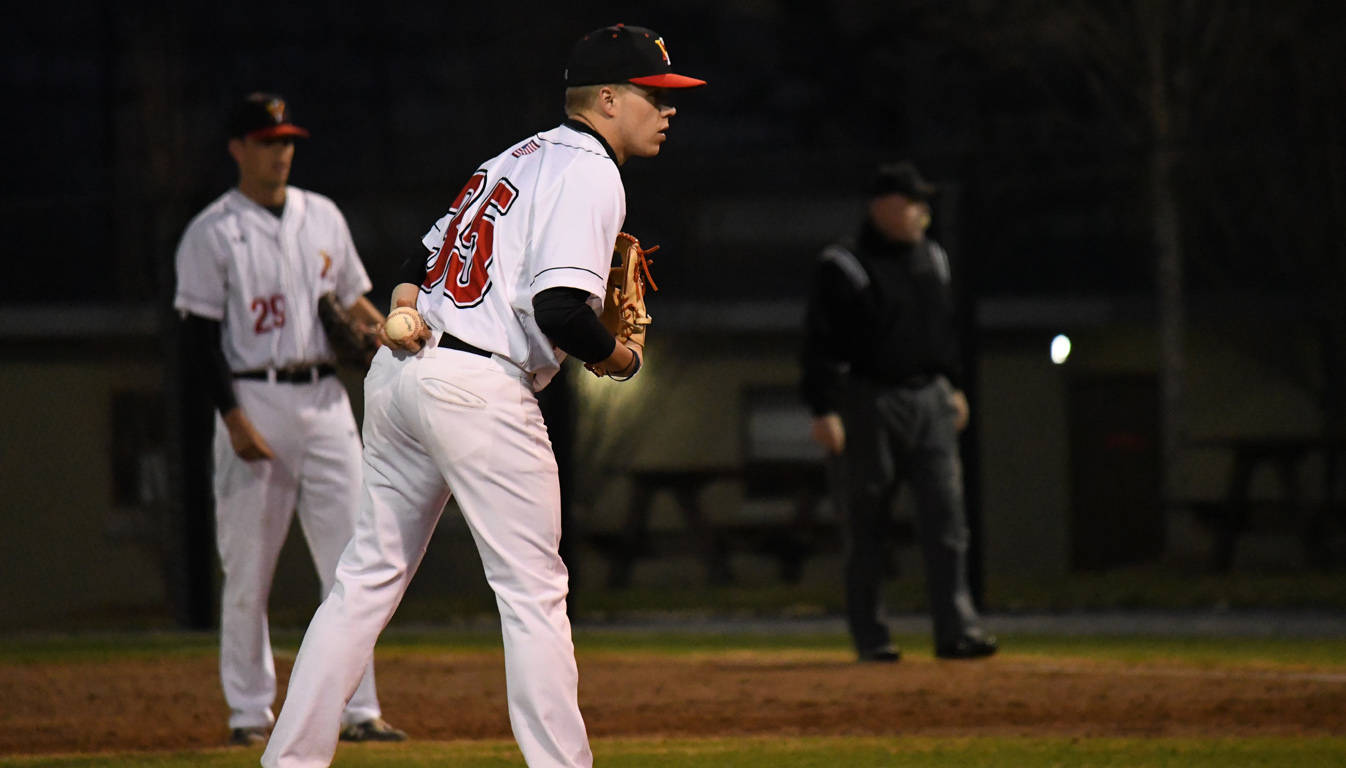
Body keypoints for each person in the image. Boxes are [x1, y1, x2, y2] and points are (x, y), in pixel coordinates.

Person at [260, 24, 705, 768]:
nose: (667, 110)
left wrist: (404, 310)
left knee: (363, 582)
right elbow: (562, 309)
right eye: (652, 95)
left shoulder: (514, 158)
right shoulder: (593, 172)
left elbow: (415, 260)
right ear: (606, 99)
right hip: (479, 385)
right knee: (534, 594)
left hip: (407, 378)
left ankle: (290, 760)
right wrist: (620, 357)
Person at [173, 92, 407, 746]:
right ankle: (250, 713)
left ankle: (358, 708)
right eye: (268, 141)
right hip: (255, 398)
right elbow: (197, 338)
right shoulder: (211, 232)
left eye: (288, 141)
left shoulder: (322, 215)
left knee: (354, 563)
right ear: (238, 148)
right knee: (249, 571)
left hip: (327, 400)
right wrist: (232, 418)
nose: (282, 152)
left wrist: (390, 333)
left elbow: (352, 299)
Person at [800, 161, 997, 663]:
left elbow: (944, 330)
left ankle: (957, 631)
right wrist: (825, 407)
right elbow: (819, 341)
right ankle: (873, 637)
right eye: (911, 202)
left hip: (929, 397)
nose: (921, 212)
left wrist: (952, 383)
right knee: (865, 523)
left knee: (948, 519)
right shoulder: (844, 264)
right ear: (882, 206)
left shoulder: (933, 257)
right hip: (868, 401)